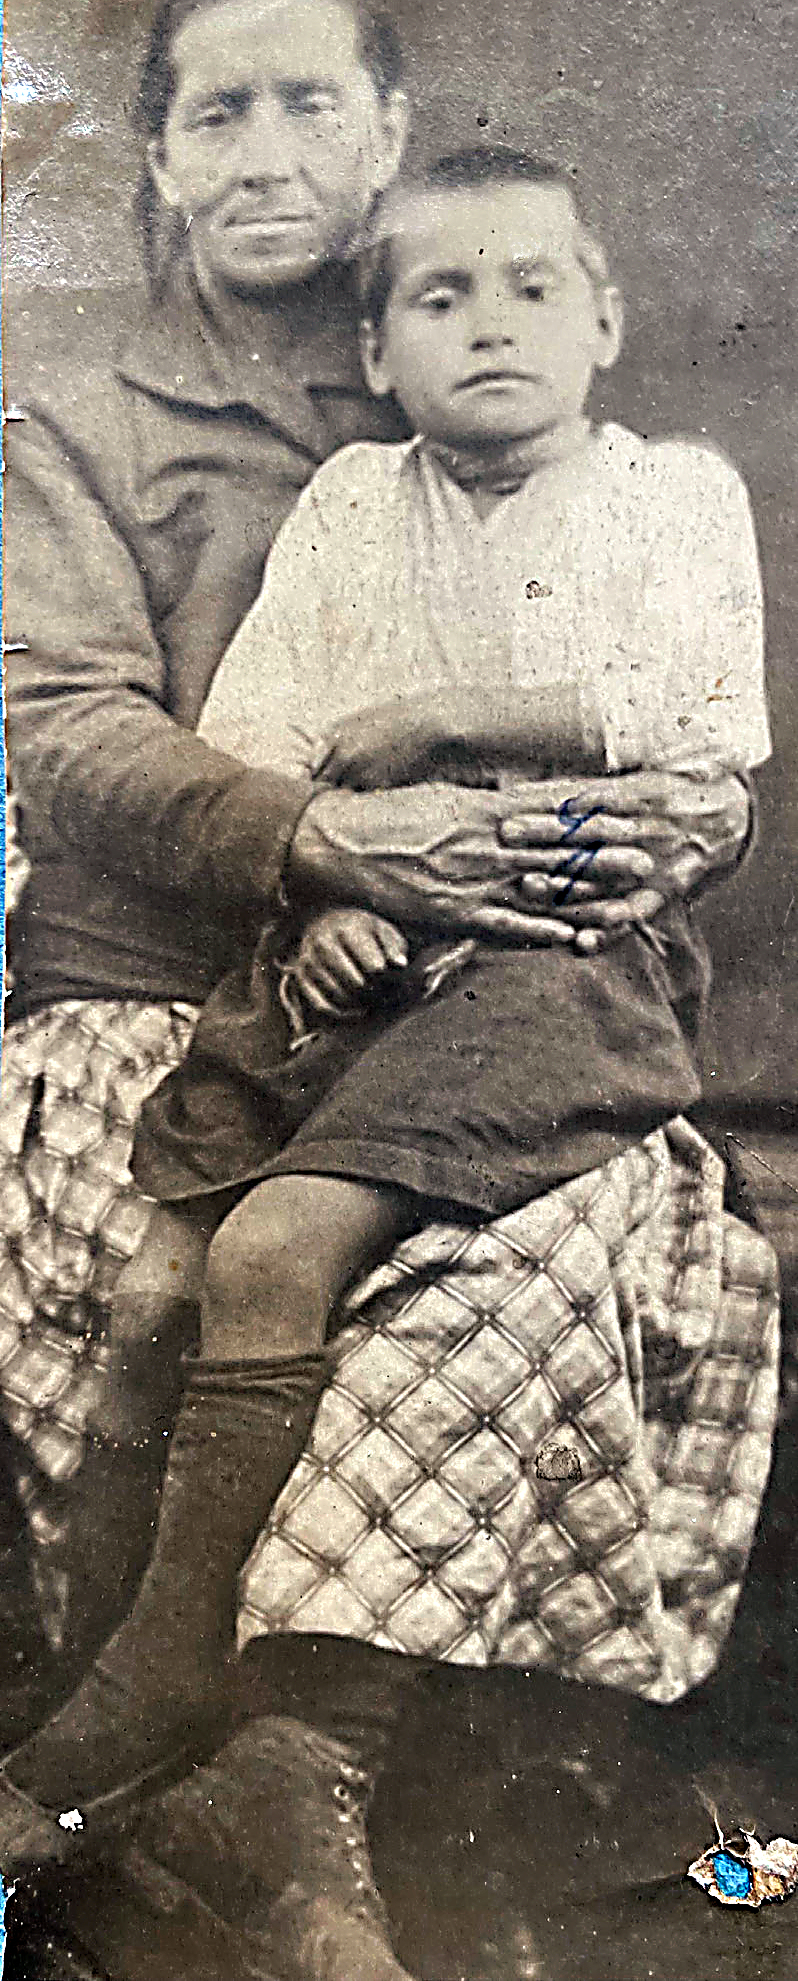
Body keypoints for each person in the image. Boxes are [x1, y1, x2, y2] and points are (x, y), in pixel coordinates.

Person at [0, 144, 773, 1902]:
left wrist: (445, 717)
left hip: (563, 965)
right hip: (347, 957)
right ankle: (119, 1685)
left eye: (529, 288)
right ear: (375, 347)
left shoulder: (668, 492)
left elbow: (702, 712)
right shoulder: (355, 502)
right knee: (156, 1265)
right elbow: (273, 730)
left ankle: (161, 1685)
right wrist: (329, 890)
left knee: (275, 1248)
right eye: (438, 297)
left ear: (604, 318)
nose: (487, 325)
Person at [0, 0, 647, 1677]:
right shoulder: (75, 421)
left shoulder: (488, 380)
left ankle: (308, 1748)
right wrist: (324, 847)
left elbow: (642, 693)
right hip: (156, 986)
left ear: (388, 131)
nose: (264, 157)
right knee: (161, 1258)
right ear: (157, 159)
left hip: (459, 984)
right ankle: (126, 1701)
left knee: (525, 1250)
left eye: (308, 103)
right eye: (216, 117)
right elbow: (67, 731)